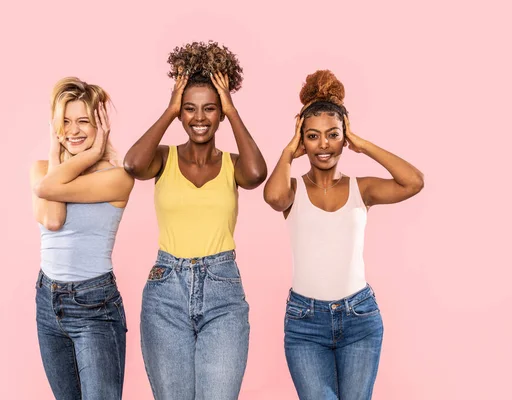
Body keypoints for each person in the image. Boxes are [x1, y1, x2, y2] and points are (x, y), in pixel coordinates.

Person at [263, 70, 424, 400]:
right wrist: (285, 153)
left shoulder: (361, 189)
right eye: (312, 136)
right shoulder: (292, 190)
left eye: (333, 134)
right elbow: (273, 198)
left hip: (359, 319)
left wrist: (362, 144)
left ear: (344, 138)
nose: (323, 144)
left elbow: (414, 182)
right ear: (301, 141)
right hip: (305, 323)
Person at [123, 41, 267, 400]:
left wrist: (233, 110)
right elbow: (132, 164)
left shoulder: (233, 165)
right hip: (165, 290)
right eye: (189, 109)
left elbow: (257, 174)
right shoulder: (162, 158)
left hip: (223, 292)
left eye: (210, 109)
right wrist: (170, 109)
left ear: (219, 113)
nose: (199, 118)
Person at [30, 77, 134, 400]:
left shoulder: (117, 178)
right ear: (55, 126)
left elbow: (48, 191)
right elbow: (54, 217)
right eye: (65, 121)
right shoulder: (41, 168)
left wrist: (94, 155)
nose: (73, 131)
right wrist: (56, 151)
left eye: (84, 121)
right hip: (48, 302)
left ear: (100, 125)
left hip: (95, 306)